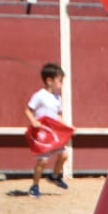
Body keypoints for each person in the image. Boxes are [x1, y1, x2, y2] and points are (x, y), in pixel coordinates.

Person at [24, 62, 69, 196]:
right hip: (43, 134)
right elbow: (28, 110)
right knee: (43, 161)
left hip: (54, 134)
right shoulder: (40, 95)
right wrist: (33, 121)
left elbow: (59, 115)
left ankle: (54, 176)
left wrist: (67, 128)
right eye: (60, 81)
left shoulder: (57, 98)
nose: (61, 84)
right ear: (49, 81)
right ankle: (35, 186)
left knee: (64, 154)